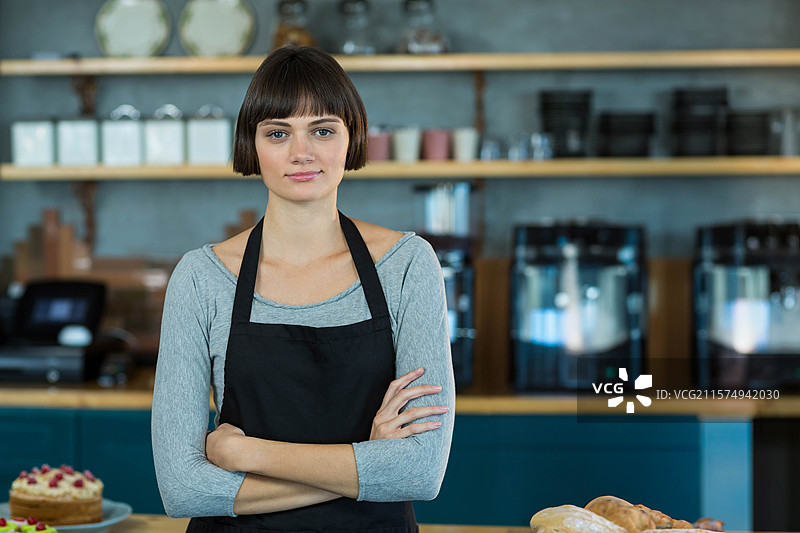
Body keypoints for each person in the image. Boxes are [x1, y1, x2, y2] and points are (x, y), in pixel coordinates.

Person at [151, 45, 455, 533]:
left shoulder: (407, 265)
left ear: (352, 138)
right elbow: (182, 488)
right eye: (278, 133)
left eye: (323, 130)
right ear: (251, 146)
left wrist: (246, 453)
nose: (301, 153)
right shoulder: (201, 277)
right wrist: (369, 461)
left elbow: (420, 472)